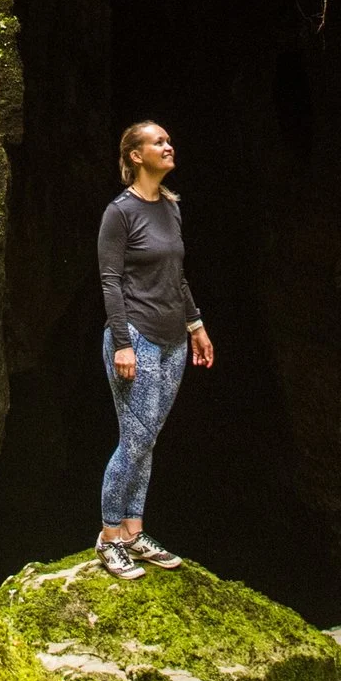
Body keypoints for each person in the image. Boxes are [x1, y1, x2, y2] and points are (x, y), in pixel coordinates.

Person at [94, 117, 214, 581]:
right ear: (135, 156)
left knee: (147, 441)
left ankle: (134, 530)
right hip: (137, 339)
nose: (168, 146)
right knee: (135, 440)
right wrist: (122, 344)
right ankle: (109, 537)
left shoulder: (170, 207)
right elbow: (110, 282)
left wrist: (196, 325)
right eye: (158, 141)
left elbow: (176, 278)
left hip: (172, 342)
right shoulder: (119, 213)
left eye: (168, 138)